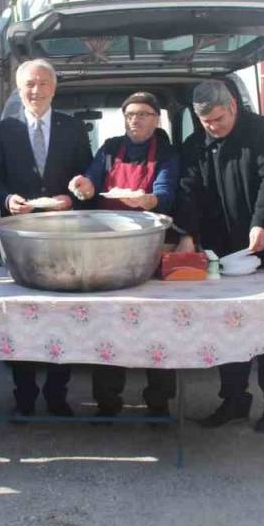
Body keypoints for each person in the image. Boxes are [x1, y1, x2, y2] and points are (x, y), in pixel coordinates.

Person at [175, 80, 264, 431]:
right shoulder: (195, 145)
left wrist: (262, 222)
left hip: (263, 247)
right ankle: (234, 399)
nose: (213, 127)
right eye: (206, 122)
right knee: (226, 328)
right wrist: (187, 235)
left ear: (232, 105)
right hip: (220, 252)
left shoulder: (261, 131)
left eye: (217, 119)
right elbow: (188, 192)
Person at [0, 59, 93, 417]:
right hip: (20, 238)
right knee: (21, 317)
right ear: (19, 88)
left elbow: (86, 174)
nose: (36, 90)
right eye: (29, 84)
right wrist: (6, 199)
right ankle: (25, 393)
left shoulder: (73, 128)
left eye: (43, 83)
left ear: (54, 88)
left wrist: (72, 195)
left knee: (60, 315)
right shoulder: (4, 130)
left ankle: (58, 394)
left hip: (64, 237)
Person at [69, 92, 180, 418]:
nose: (136, 120)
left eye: (144, 114)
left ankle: (158, 402)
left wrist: (147, 200)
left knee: (156, 326)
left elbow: (165, 194)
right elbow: (92, 177)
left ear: (157, 118)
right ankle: (107, 401)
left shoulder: (168, 152)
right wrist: (85, 185)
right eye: (130, 114)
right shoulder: (110, 148)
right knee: (108, 325)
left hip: (151, 248)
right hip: (109, 248)